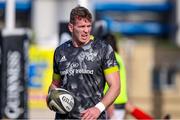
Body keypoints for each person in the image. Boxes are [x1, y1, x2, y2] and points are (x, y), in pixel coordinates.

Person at [47, 6, 120, 119]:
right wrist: (52, 97)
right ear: (71, 27)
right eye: (81, 26)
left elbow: (115, 86)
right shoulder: (60, 51)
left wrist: (98, 108)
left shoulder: (103, 49)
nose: (86, 30)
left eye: (88, 26)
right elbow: (55, 84)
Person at [103, 33, 128, 120]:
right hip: (120, 101)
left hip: (112, 102)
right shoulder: (119, 58)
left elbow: (109, 82)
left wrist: (109, 104)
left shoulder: (110, 58)